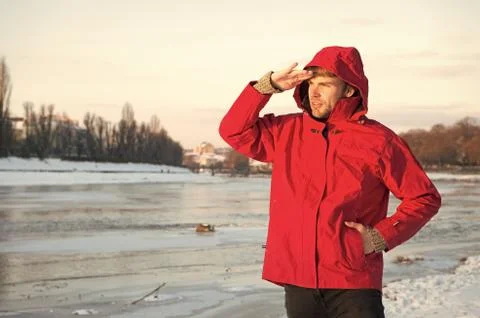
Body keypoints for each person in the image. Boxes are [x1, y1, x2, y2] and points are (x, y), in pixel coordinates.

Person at [218, 46, 441, 318]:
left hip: (353, 281)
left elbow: (424, 198)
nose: (314, 92)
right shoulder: (285, 132)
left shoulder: (379, 140)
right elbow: (233, 130)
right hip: (298, 278)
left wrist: (382, 235)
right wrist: (267, 87)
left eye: (324, 84)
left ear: (349, 89)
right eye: (310, 83)